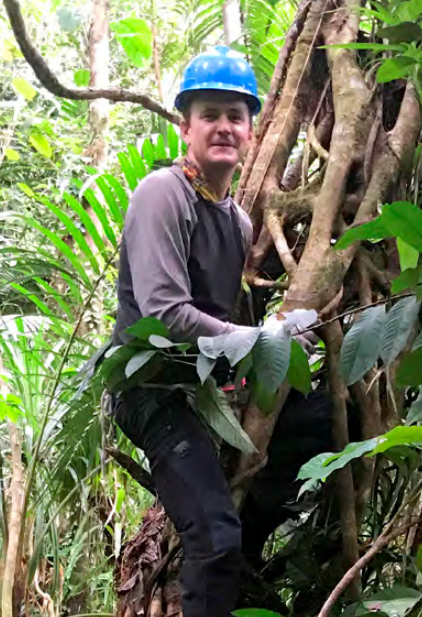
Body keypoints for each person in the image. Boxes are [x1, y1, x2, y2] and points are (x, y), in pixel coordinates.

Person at [111, 45, 262, 617]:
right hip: (148, 390)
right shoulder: (161, 194)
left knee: (312, 423)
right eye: (210, 115)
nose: (224, 126)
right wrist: (258, 341)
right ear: (185, 126)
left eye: (236, 115)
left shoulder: (239, 220)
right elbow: (165, 314)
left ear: (250, 129)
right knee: (215, 537)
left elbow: (222, 316)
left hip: (199, 393)